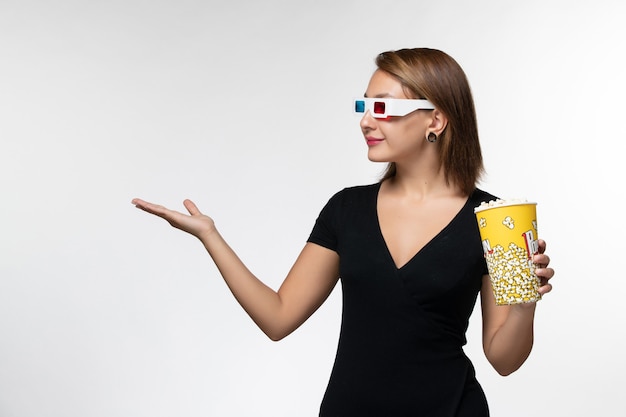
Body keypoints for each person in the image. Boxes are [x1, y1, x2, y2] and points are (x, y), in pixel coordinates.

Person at [132, 48, 555, 416]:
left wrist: (524, 305)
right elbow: (278, 318)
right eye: (363, 106)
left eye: (384, 108)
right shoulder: (346, 210)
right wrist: (210, 236)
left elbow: (503, 359)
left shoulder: (494, 219)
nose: (367, 122)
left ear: (436, 119)